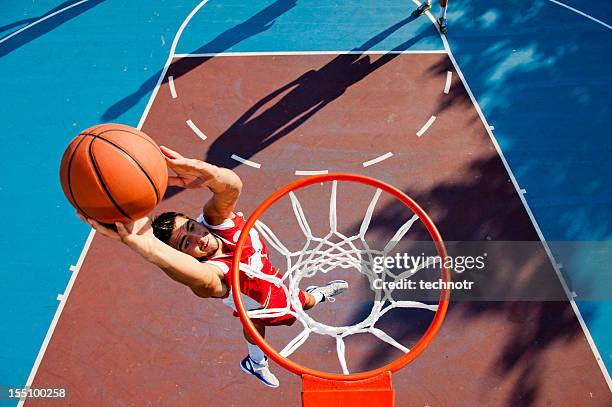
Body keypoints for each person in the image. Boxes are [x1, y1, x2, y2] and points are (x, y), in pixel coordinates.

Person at [80, 145, 348, 388]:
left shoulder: (213, 221)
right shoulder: (213, 274)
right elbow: (204, 281)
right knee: (256, 321)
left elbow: (232, 187)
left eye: (191, 228)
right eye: (187, 243)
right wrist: (149, 248)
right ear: (185, 255)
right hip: (258, 301)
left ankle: (317, 294)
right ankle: (256, 362)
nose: (199, 238)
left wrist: (202, 169)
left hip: (268, 277)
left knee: (307, 301)